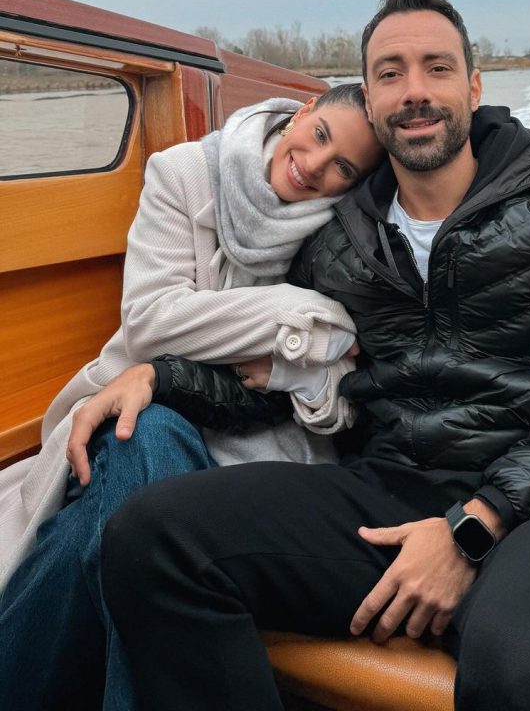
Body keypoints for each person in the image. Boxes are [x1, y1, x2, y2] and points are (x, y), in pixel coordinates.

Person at [102, 0, 530, 711]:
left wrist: (473, 526)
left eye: (437, 68)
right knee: (153, 538)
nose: (415, 91)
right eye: (391, 73)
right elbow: (288, 381)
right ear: (369, 101)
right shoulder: (337, 234)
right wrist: (160, 378)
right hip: (385, 490)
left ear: (473, 87)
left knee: (526, 677)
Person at [0, 84, 382, 711]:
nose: (314, 166)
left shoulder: (345, 233)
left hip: (250, 450)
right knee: (146, 435)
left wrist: (280, 364)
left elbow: (342, 390)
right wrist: (304, 316)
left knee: (92, 529)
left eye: (342, 167)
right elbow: (152, 322)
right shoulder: (185, 174)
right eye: (319, 136)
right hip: (131, 416)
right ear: (303, 112)